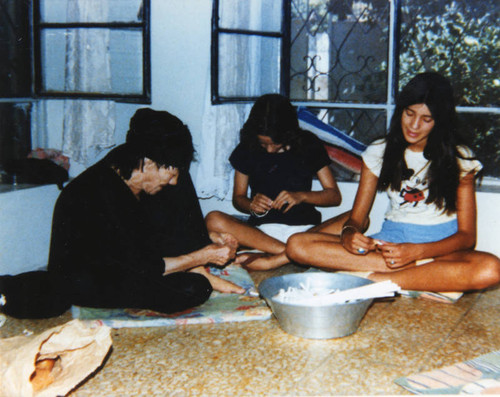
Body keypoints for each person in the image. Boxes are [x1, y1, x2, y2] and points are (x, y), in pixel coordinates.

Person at [0, 109, 243, 319]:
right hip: (92, 277)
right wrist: (199, 257)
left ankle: (196, 270)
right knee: (192, 289)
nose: (174, 179)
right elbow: (142, 267)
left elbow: (159, 230)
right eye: (170, 171)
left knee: (177, 191)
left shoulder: (132, 171)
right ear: (147, 162)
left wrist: (207, 239)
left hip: (132, 261)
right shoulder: (98, 194)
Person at [286, 72, 500, 293]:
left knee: (491, 269)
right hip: (389, 247)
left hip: (442, 250)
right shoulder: (379, 151)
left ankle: (374, 280)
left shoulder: (459, 158)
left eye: (426, 119)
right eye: (409, 114)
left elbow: (467, 237)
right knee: (297, 245)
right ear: (401, 111)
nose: (414, 125)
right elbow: (356, 219)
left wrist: (418, 252)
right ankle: (420, 277)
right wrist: (349, 235)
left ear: (439, 122)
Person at [205, 94, 342, 271]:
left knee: (358, 219)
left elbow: (334, 196)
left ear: (288, 134)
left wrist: (301, 196)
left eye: (275, 144)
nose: (269, 150)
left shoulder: (308, 143)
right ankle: (293, 254)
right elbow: (238, 198)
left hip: (306, 233)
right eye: (264, 144)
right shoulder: (247, 148)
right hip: (262, 235)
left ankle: (276, 259)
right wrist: (251, 204)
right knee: (213, 218)